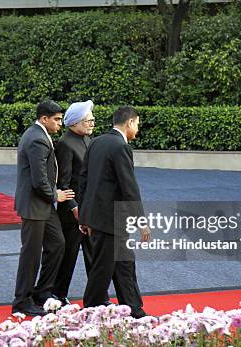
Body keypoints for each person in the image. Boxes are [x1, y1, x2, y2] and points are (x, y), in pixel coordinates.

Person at [79, 106, 150, 319]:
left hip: (100, 217)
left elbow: (84, 179)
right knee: (103, 267)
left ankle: (134, 310)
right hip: (111, 219)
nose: (137, 129)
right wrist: (142, 222)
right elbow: (129, 187)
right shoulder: (121, 147)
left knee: (124, 264)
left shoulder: (96, 142)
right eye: (137, 124)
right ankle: (90, 310)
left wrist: (84, 216)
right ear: (129, 123)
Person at [12, 100, 74, 316]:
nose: (60, 124)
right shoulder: (37, 138)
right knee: (31, 255)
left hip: (42, 205)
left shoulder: (39, 135)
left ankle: (42, 291)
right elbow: (39, 180)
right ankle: (22, 301)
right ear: (44, 119)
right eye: (56, 119)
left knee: (57, 244)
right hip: (35, 204)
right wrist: (54, 194)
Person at [52, 100, 109, 306]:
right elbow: (64, 182)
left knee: (94, 254)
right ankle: (58, 295)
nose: (92, 123)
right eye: (88, 120)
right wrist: (74, 207)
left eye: (93, 119)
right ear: (75, 122)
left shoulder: (87, 139)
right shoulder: (66, 144)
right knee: (68, 255)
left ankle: (98, 296)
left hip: (89, 208)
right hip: (72, 212)